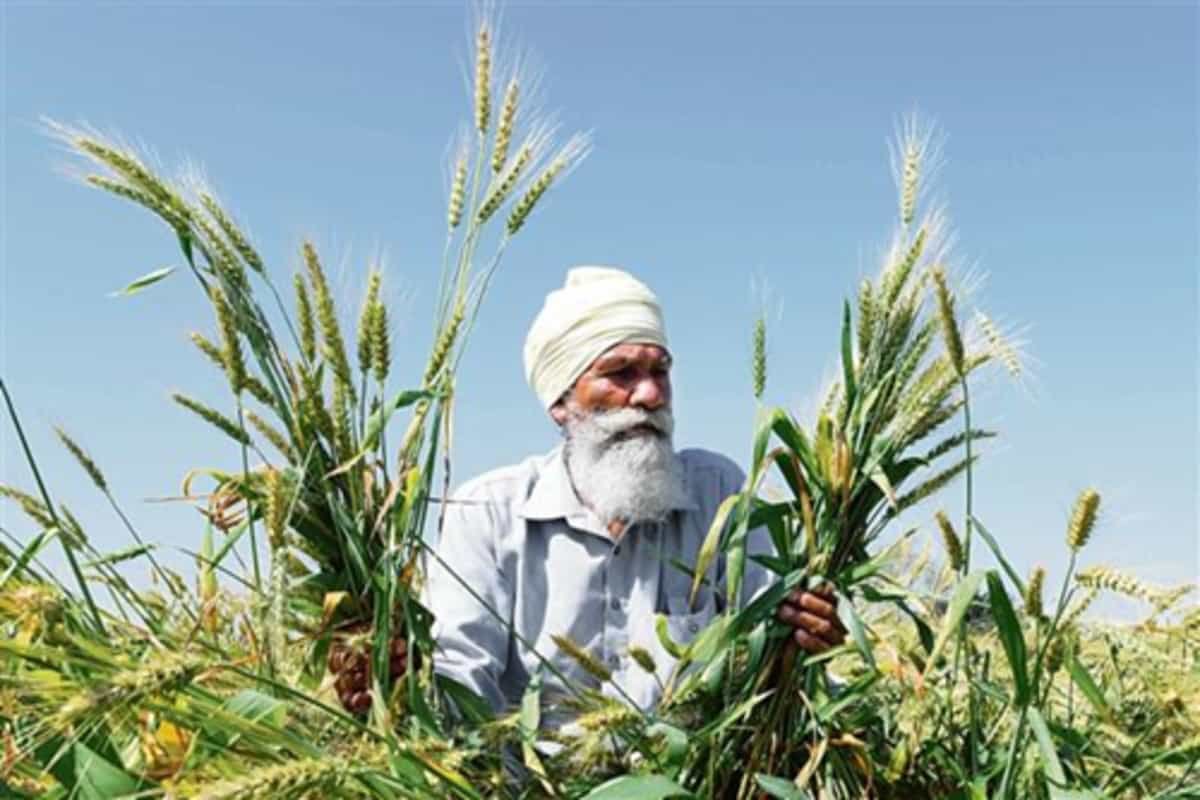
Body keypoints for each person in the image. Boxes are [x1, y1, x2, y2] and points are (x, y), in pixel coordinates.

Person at [330, 266, 846, 717]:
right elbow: (461, 681)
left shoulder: (719, 493)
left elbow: (764, 657)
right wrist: (397, 688)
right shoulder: (486, 513)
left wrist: (805, 644)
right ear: (560, 401)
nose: (650, 394)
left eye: (660, 371)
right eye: (620, 373)